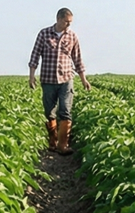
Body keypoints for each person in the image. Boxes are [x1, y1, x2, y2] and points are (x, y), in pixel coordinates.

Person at [28, 8, 91, 155]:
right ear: (58, 19)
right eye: (66, 22)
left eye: (70, 22)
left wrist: (84, 79)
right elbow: (35, 56)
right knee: (50, 112)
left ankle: (63, 145)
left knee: (65, 110)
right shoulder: (44, 34)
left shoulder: (72, 36)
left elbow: (77, 59)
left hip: (66, 78)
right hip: (48, 79)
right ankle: (53, 142)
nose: (68, 25)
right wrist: (31, 76)